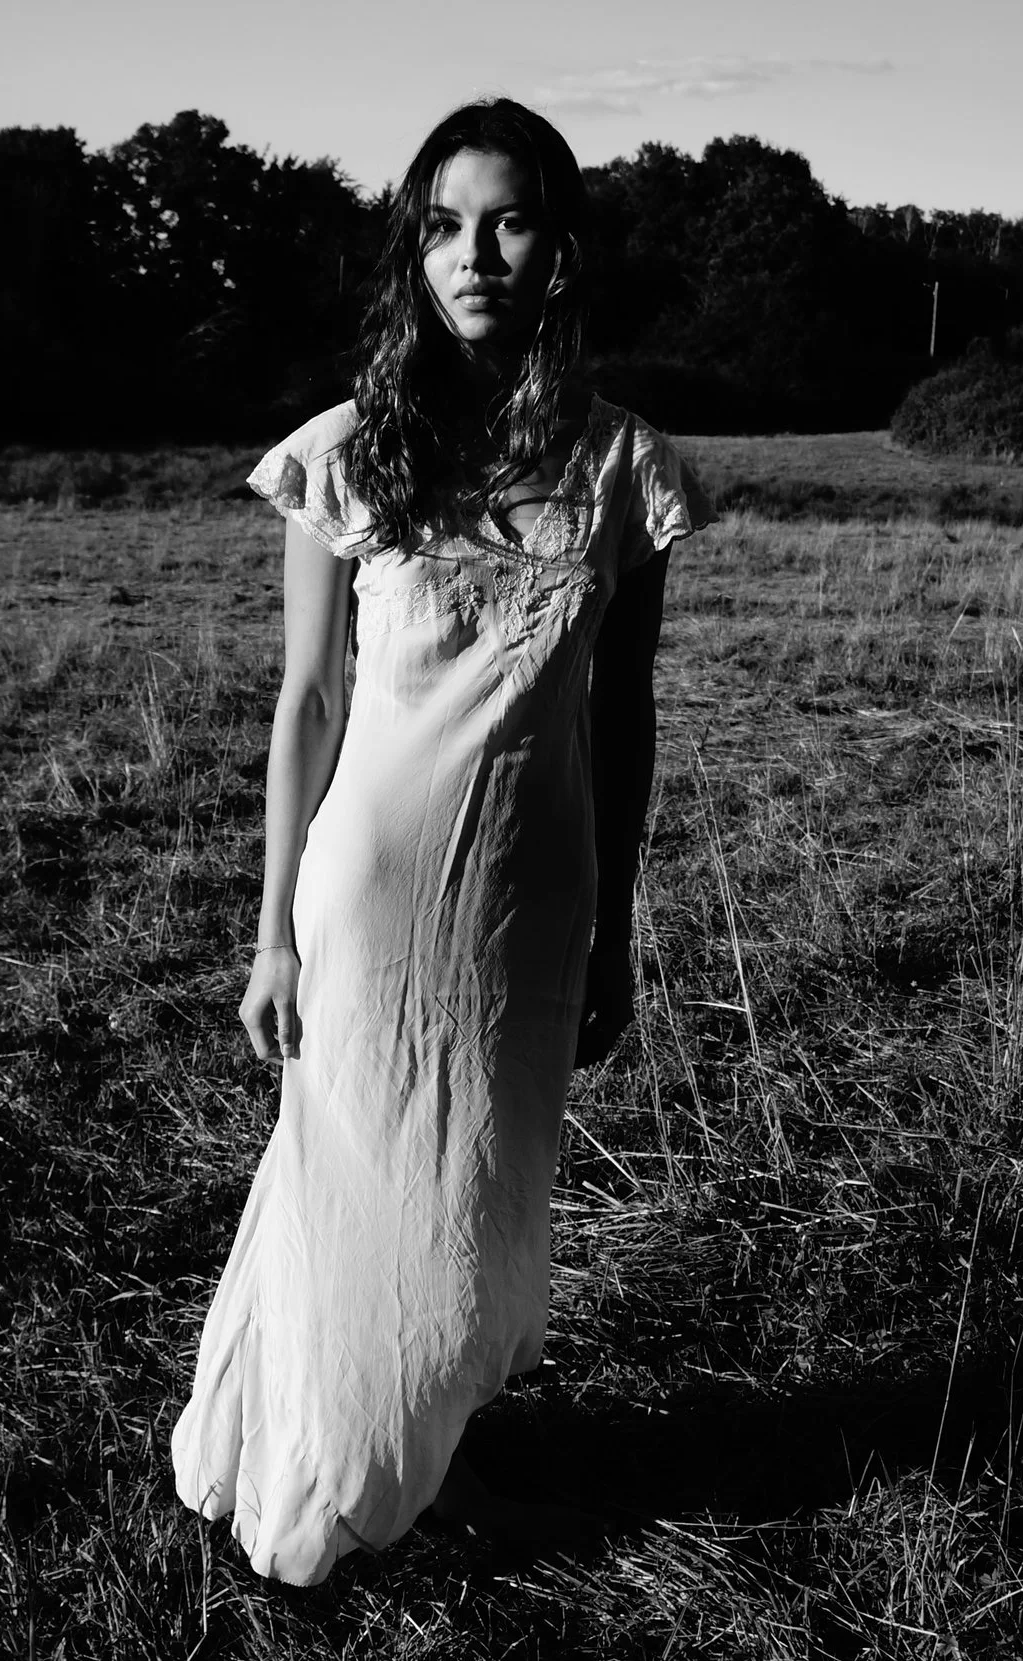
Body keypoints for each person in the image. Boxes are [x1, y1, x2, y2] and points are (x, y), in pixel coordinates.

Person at [168, 97, 716, 1586]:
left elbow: (624, 719)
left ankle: (437, 1448)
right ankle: (353, 1470)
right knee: (362, 1181)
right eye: (443, 222)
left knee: (482, 1186)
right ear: (413, 250)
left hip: (533, 899)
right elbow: (307, 702)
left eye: (511, 218)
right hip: (372, 891)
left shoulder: (623, 471)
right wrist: (272, 930)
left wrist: (619, 926)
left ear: (563, 248)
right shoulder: (345, 458)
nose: (475, 253)